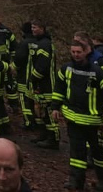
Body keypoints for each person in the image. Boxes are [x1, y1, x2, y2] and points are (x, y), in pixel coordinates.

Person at [52, 35, 103, 192]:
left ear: (85, 52)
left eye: (79, 52)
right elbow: (59, 89)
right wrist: (55, 107)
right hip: (73, 120)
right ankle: (76, 181)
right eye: (73, 52)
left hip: (95, 122)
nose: (76, 55)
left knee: (99, 154)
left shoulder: (98, 73)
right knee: (76, 154)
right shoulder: (66, 69)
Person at [28, 21, 58, 150]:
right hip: (40, 84)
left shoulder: (45, 44)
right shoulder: (40, 43)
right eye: (32, 27)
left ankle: (53, 139)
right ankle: (44, 134)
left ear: (43, 28)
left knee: (48, 113)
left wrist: (33, 78)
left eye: (36, 27)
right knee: (41, 113)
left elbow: (42, 66)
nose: (33, 29)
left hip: (47, 85)